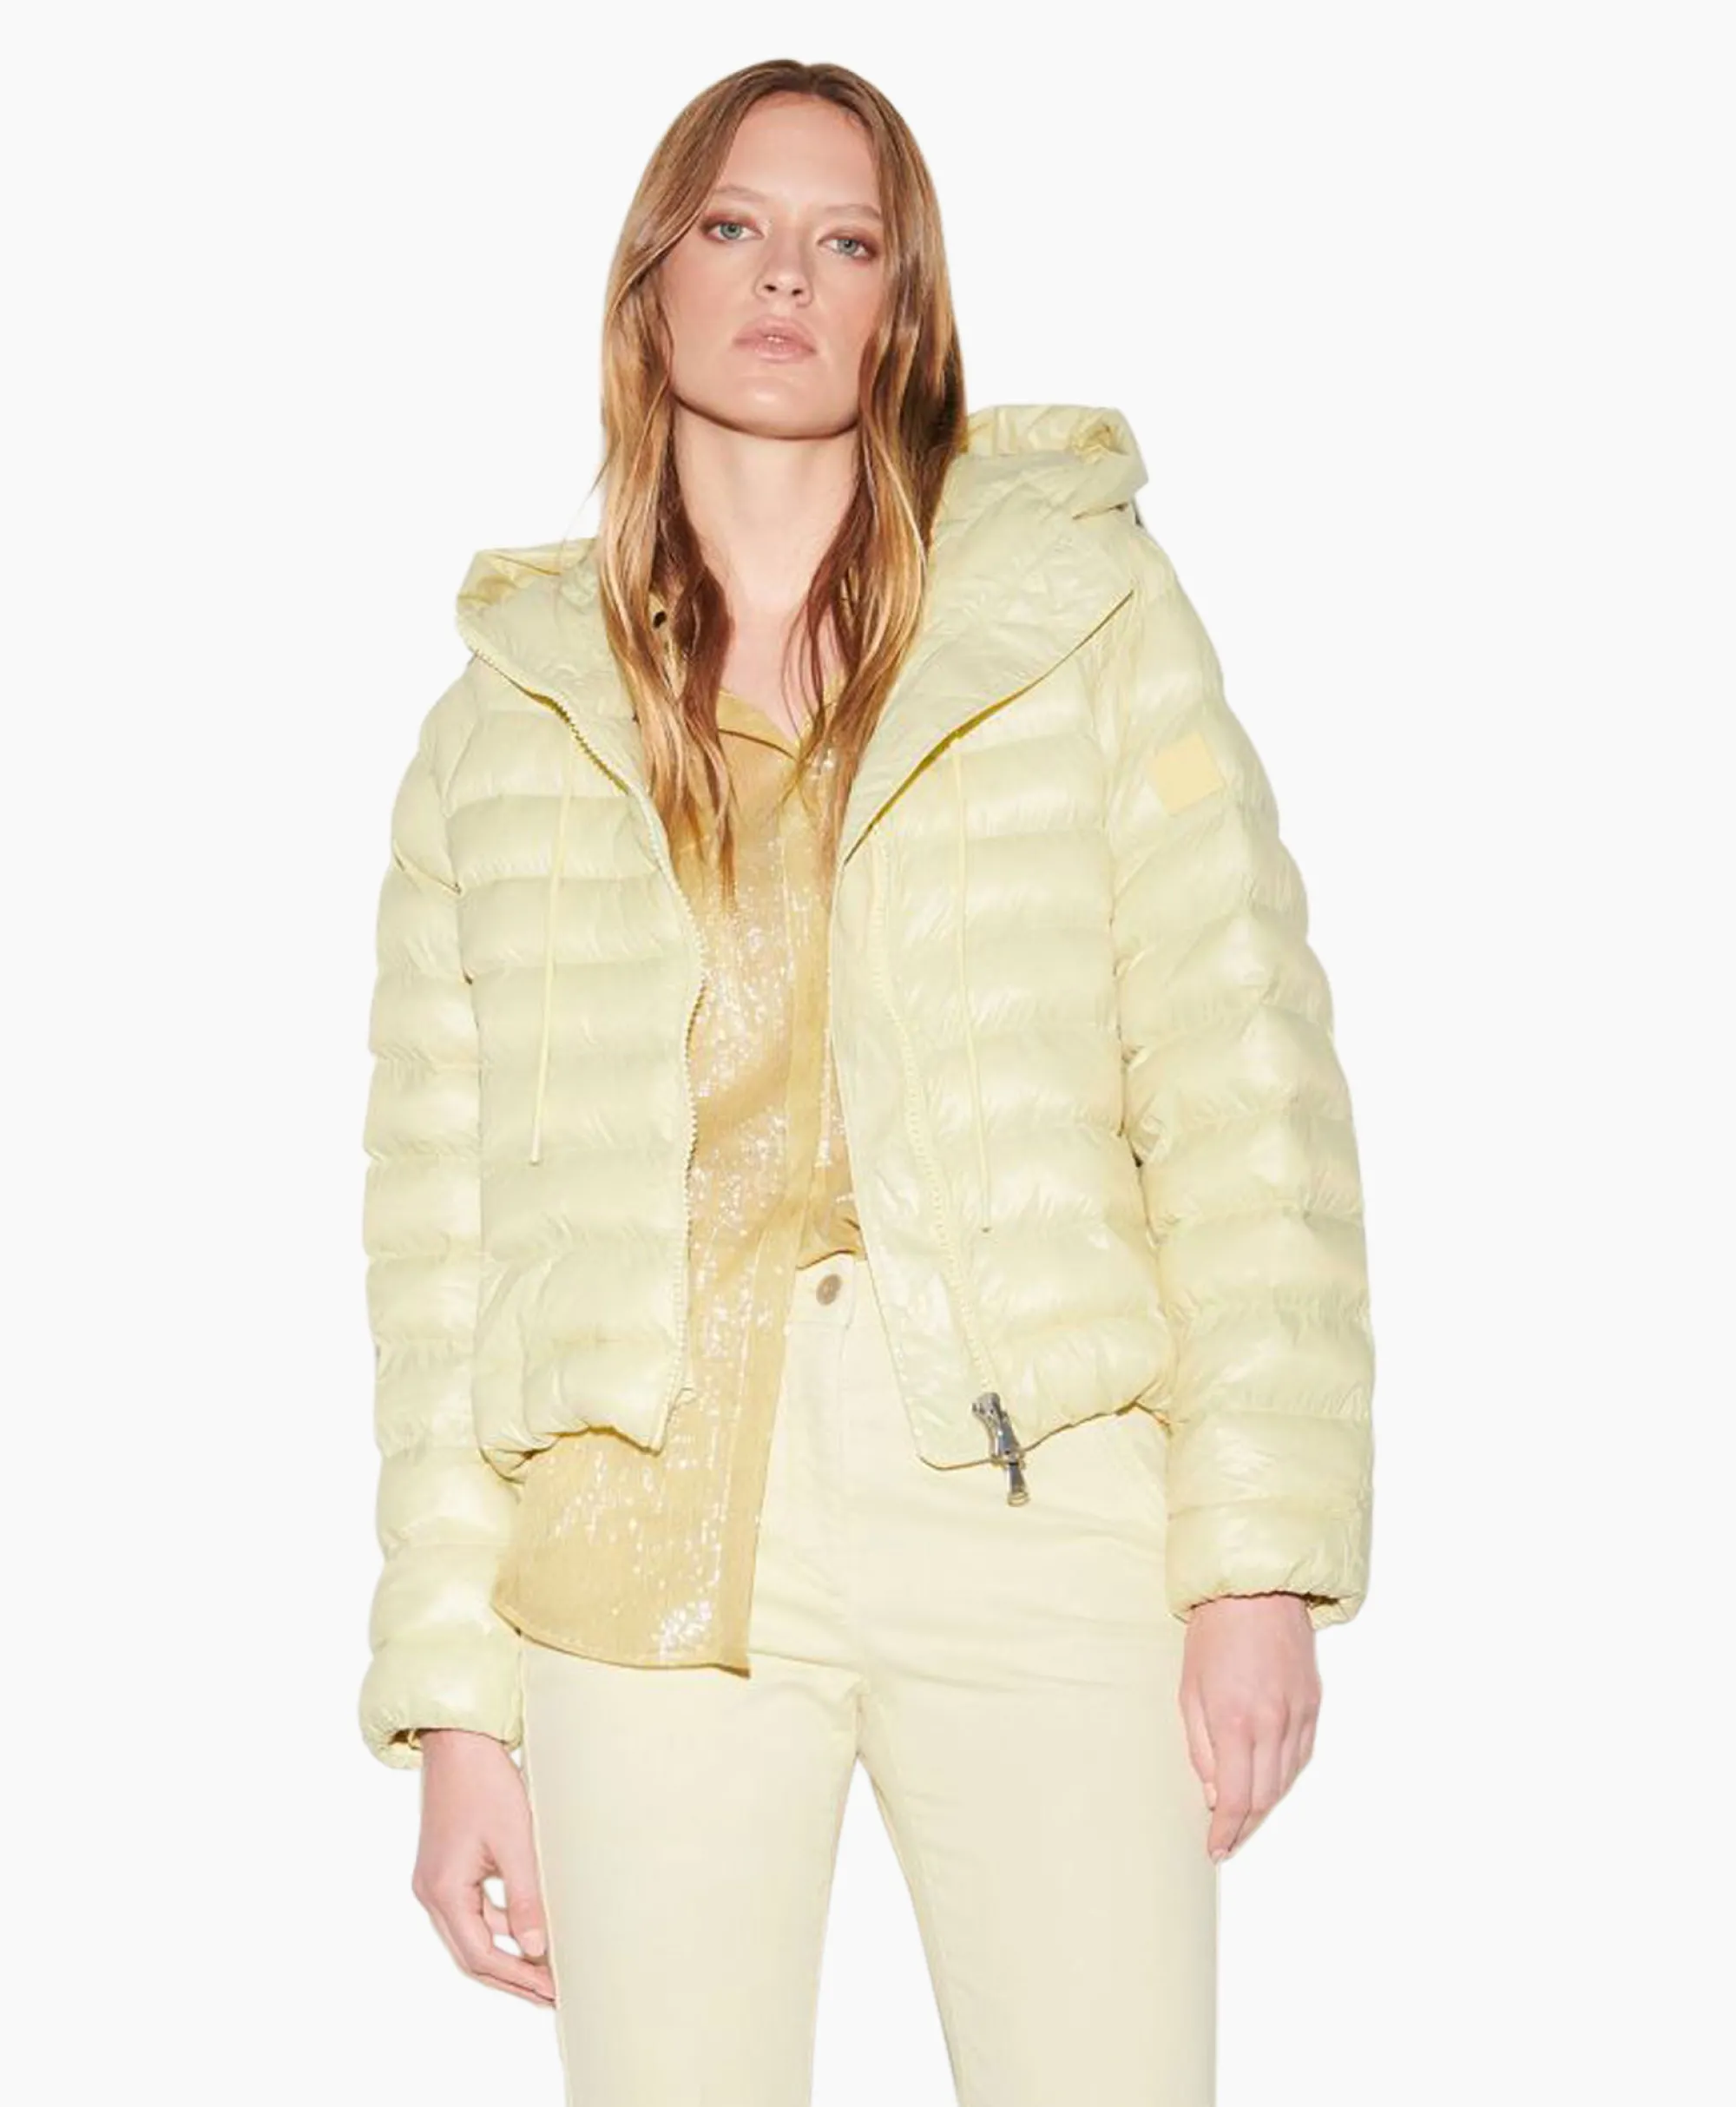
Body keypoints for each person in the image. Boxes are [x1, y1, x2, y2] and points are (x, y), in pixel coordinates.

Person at [357, 56, 1375, 2107]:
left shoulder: (1073, 615)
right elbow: (444, 1251)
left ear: (905, 307)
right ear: (651, 281)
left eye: (847, 242)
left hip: (1030, 1497)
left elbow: (1238, 1078)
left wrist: (1253, 1556)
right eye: (733, 228)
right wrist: (456, 1704)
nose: (783, 279)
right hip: (640, 1539)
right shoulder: (509, 716)